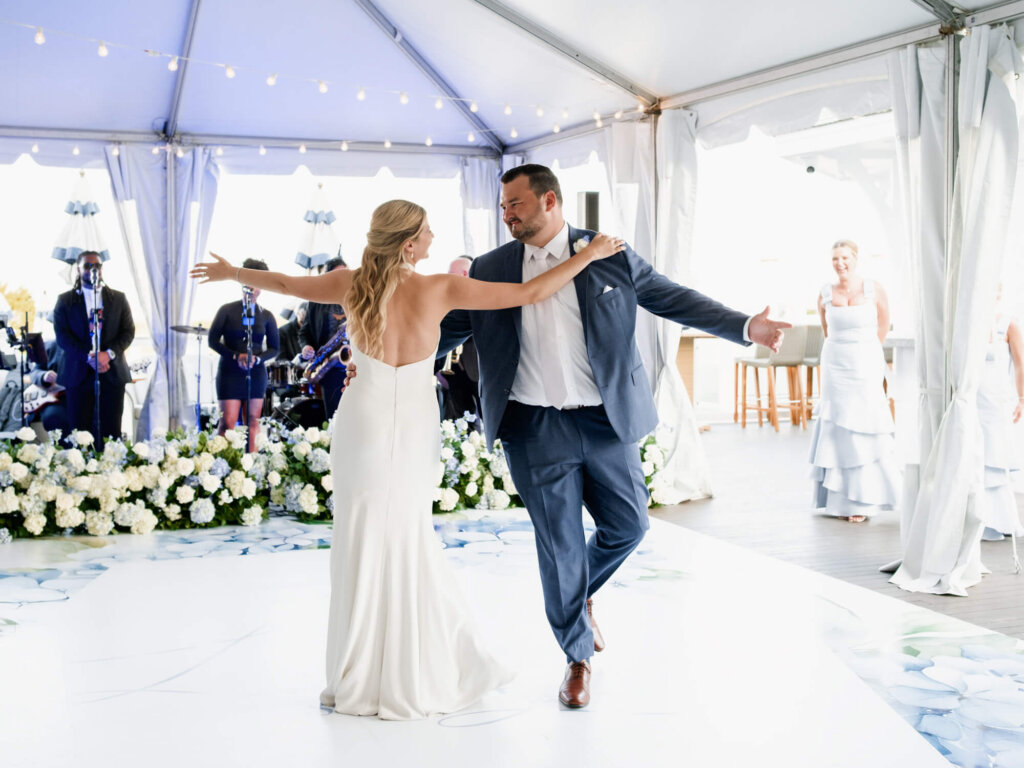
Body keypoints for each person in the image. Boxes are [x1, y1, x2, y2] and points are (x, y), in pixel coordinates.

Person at [190, 199, 625, 720]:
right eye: (427, 231)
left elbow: (283, 284)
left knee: (361, 538)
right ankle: (410, 669)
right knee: (408, 536)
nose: (435, 237)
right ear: (409, 243)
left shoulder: (349, 284)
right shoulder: (438, 287)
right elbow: (531, 293)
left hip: (361, 422)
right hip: (414, 422)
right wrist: (590, 253)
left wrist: (229, 272)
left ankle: (355, 674)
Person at [432, 164, 788, 709]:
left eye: (516, 204)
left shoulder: (609, 254)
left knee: (629, 525)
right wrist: (384, 361)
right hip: (534, 427)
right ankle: (577, 660)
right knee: (560, 547)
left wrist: (746, 327)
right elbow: (443, 327)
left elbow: (674, 299)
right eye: (503, 207)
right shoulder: (491, 268)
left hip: (605, 421)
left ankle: (580, 594)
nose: (507, 214)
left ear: (550, 201)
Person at [808, 239, 900, 523]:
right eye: (835, 258)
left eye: (845, 257)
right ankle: (841, 500)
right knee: (837, 426)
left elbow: (884, 323)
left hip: (865, 362)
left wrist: (869, 350)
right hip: (836, 364)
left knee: (864, 423)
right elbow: (826, 329)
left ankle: (865, 498)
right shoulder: (825, 292)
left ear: (855, 258)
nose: (840, 263)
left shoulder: (874, 288)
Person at [53, 251, 135, 444]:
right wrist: (89, 357)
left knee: (111, 432)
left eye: (97, 265)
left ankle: (110, 471)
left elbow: (128, 331)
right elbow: (63, 336)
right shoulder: (65, 300)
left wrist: (108, 354)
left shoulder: (119, 299)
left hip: (112, 373)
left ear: (102, 269)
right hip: (78, 374)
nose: (93, 269)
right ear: (79, 269)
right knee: (79, 433)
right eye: (88, 266)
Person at [206, 258, 279, 453]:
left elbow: (274, 348)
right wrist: (234, 356)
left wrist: (258, 359)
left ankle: (251, 468)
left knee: (253, 424)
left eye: (257, 284)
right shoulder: (227, 310)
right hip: (230, 372)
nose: (252, 288)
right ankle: (223, 464)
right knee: (227, 423)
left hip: (255, 372)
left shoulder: (267, 316)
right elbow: (212, 340)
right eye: (248, 282)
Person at [977, 307, 1024, 552]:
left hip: (998, 402)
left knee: (997, 458)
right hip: (974, 402)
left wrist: (1022, 398)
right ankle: (978, 518)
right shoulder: (969, 321)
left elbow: (1019, 364)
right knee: (978, 459)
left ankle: (1001, 520)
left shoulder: (1009, 324)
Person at [435, 256, 482, 428]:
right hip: (454, 371)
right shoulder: (445, 298)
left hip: (475, 368)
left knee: (484, 414)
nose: (447, 277)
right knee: (461, 418)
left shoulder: (479, 295)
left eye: (450, 273)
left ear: (464, 274)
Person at [300, 257, 347, 420]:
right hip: (330, 369)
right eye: (337, 275)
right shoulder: (315, 301)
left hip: (358, 369)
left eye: (345, 273)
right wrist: (306, 346)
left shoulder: (360, 299)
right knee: (334, 420)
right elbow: (304, 333)